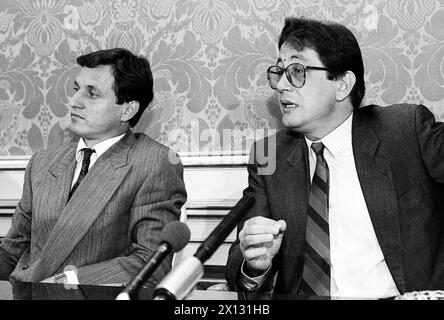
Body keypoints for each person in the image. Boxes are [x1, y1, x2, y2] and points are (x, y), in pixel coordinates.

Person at [226, 17, 444, 298]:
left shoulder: (404, 130)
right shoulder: (269, 155)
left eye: (297, 70)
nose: (281, 85)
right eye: (279, 72)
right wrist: (255, 264)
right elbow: (237, 267)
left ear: (342, 84)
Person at [0, 48, 187, 287]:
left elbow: (149, 261)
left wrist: (67, 281)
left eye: (92, 94)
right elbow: (11, 253)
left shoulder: (154, 163)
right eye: (76, 89)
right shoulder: (42, 163)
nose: (75, 102)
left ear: (128, 109)